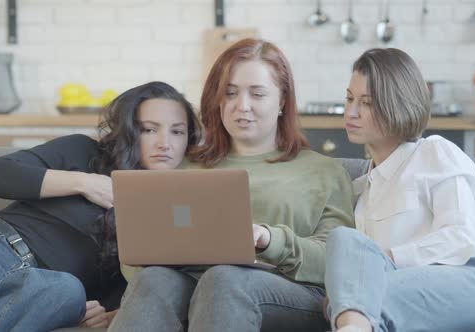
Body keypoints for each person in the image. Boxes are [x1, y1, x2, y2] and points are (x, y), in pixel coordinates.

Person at [108, 38, 355, 332]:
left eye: (257, 94)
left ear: (283, 100)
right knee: (153, 280)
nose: (242, 106)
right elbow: (137, 260)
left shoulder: (323, 171)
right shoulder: (185, 166)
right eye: (230, 93)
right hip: (195, 285)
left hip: (290, 294)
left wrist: (268, 239)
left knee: (224, 278)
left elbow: (340, 262)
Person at [0, 81, 201, 331]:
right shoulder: (82, 151)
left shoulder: (172, 211)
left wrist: (106, 313)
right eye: (149, 130)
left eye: (177, 131)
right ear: (129, 130)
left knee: (70, 292)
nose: (165, 143)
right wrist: (84, 183)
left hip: (47, 291)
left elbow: (147, 290)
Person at [323, 48, 475, 332]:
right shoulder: (363, 191)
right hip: (405, 294)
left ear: (398, 104)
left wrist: (389, 260)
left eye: (366, 103)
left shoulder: (435, 153)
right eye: (349, 99)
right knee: (345, 243)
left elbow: (462, 235)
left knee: (362, 297)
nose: (351, 112)